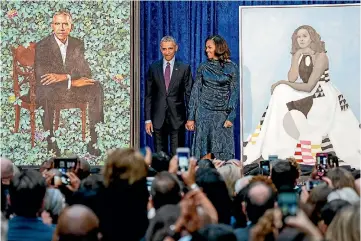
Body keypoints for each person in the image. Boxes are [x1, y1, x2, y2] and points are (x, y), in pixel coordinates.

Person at [244, 25, 360, 168]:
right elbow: (292, 79)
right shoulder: (299, 55)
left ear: (312, 37)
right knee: (281, 90)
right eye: (298, 37)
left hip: (322, 94)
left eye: (304, 36)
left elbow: (310, 85)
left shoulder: (321, 56)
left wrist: (282, 82)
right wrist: (296, 57)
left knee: (282, 86)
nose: (301, 39)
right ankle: (275, 141)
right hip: (307, 91)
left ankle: (300, 146)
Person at [35, 10, 104, 156]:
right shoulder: (42, 45)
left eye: (65, 24)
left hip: (69, 88)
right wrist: (71, 80)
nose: (61, 28)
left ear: (70, 27)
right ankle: (51, 141)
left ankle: (93, 140)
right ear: (52, 26)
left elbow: (85, 71)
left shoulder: (77, 43)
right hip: (51, 89)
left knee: (96, 87)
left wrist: (66, 78)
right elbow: (44, 77)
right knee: (45, 91)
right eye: (57, 24)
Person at [187, 35, 239, 160]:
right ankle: (204, 175)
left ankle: (222, 177)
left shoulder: (232, 67)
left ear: (219, 48)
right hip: (203, 113)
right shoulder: (203, 67)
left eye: (209, 47)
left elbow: (234, 93)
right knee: (204, 150)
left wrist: (231, 116)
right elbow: (195, 93)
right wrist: (191, 118)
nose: (206, 50)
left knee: (221, 153)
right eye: (206, 48)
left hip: (222, 114)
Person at [145, 36, 193, 157]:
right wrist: (148, 119)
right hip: (157, 118)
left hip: (177, 118)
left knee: (177, 155)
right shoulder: (153, 68)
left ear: (176, 48)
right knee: (159, 156)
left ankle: (177, 176)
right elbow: (148, 95)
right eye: (164, 49)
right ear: (161, 49)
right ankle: (162, 176)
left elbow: (189, 95)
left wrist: (191, 117)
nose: (167, 52)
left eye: (170, 48)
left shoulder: (184, 68)